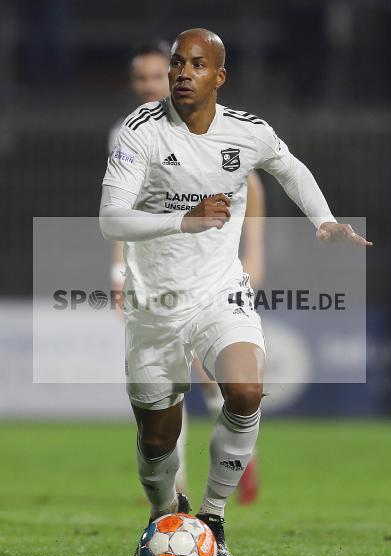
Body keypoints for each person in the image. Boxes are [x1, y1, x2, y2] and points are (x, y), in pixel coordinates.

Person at [99, 28, 372, 556]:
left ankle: (214, 518)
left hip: (221, 292)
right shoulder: (138, 132)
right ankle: (165, 515)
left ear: (218, 77)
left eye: (195, 65)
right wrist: (186, 218)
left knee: (245, 391)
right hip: (157, 303)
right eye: (177, 63)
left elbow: (288, 167)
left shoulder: (247, 133)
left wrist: (323, 221)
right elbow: (111, 218)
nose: (181, 73)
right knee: (159, 438)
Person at [108, 40, 266, 501]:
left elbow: (249, 196)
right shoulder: (130, 133)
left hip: (210, 278)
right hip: (157, 280)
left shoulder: (218, 134)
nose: (150, 86)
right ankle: (174, 491)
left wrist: (246, 266)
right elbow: (122, 210)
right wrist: (120, 274)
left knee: (218, 376)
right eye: (142, 79)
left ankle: (235, 467)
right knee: (167, 390)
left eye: (159, 76)